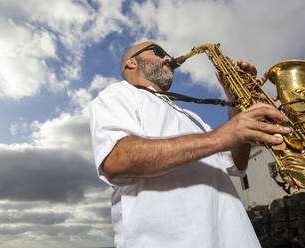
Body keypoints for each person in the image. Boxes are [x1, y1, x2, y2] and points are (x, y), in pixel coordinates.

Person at [89, 41, 291, 247]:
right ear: (132, 63)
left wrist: (236, 101)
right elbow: (116, 161)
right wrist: (218, 137)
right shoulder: (118, 94)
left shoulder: (190, 116)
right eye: (158, 52)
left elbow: (236, 164)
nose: (168, 58)